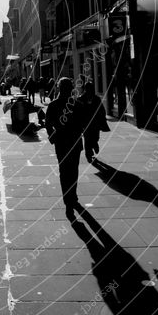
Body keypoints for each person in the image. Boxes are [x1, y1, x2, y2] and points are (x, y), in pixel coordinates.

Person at [45, 77, 84, 217]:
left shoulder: (53, 105)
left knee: (64, 171)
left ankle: (68, 200)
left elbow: (47, 123)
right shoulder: (77, 104)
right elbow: (83, 123)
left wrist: (52, 136)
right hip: (74, 142)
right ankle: (72, 196)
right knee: (73, 171)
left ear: (59, 88)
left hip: (61, 142)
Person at [78, 80, 110, 162]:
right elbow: (77, 111)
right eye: (87, 88)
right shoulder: (80, 99)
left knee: (96, 137)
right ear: (85, 89)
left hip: (95, 123)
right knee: (87, 138)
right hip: (85, 123)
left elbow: (101, 110)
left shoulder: (96, 98)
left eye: (91, 88)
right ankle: (88, 154)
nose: (89, 90)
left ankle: (95, 144)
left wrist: (102, 117)